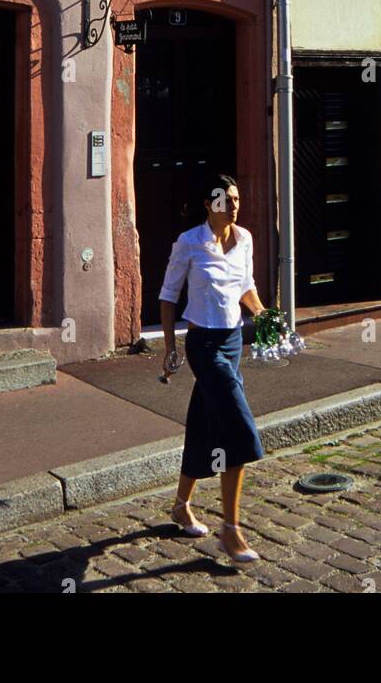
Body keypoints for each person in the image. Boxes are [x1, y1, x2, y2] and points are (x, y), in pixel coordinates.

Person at [158, 172, 266, 564]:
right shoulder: (189, 243)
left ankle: (181, 505)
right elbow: (168, 297)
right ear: (209, 204)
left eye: (237, 198)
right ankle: (231, 531)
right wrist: (170, 348)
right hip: (203, 346)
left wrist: (263, 314)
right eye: (225, 199)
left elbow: (245, 286)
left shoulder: (245, 239)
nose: (234, 205)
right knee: (238, 428)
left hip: (233, 342)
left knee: (203, 424)